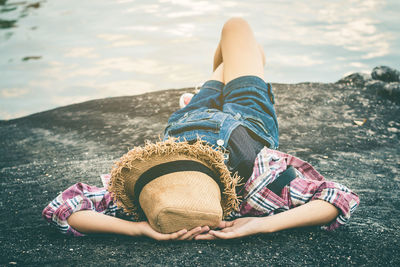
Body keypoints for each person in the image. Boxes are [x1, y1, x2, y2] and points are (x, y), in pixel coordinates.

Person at [42, 17, 359, 241]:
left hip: (190, 118)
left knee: (234, 55)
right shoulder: (260, 186)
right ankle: (227, 89)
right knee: (236, 29)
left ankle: (208, 95)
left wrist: (139, 229)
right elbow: (338, 197)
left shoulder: (146, 199)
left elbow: (62, 208)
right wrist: (262, 226)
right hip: (247, 123)